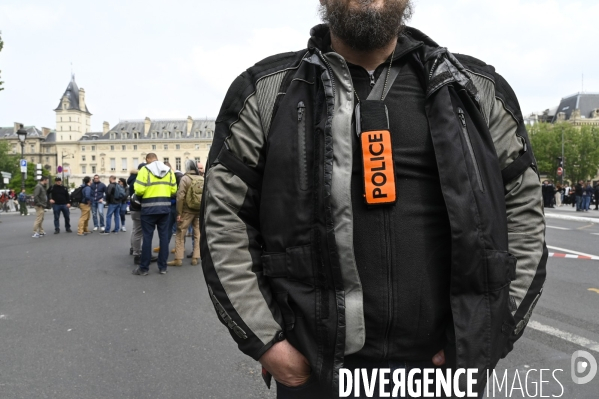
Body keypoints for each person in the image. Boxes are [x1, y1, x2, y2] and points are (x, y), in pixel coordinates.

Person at [199, 1, 547, 397]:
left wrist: (490, 336)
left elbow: (524, 213)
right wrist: (269, 343)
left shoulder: (477, 88)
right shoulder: (265, 89)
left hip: (445, 371)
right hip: (319, 371)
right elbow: (223, 221)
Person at [132, 153, 177, 276]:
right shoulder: (168, 171)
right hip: (165, 208)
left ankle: (144, 268)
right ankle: (162, 267)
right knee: (164, 238)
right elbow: (174, 190)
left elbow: (139, 190)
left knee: (147, 238)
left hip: (148, 208)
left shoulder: (144, 170)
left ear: (147, 160)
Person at [167, 159, 202, 267]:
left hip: (187, 210)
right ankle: (195, 257)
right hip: (198, 210)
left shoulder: (185, 178)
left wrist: (179, 213)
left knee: (180, 234)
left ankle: (178, 259)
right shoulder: (202, 178)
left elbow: (180, 196)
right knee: (197, 234)